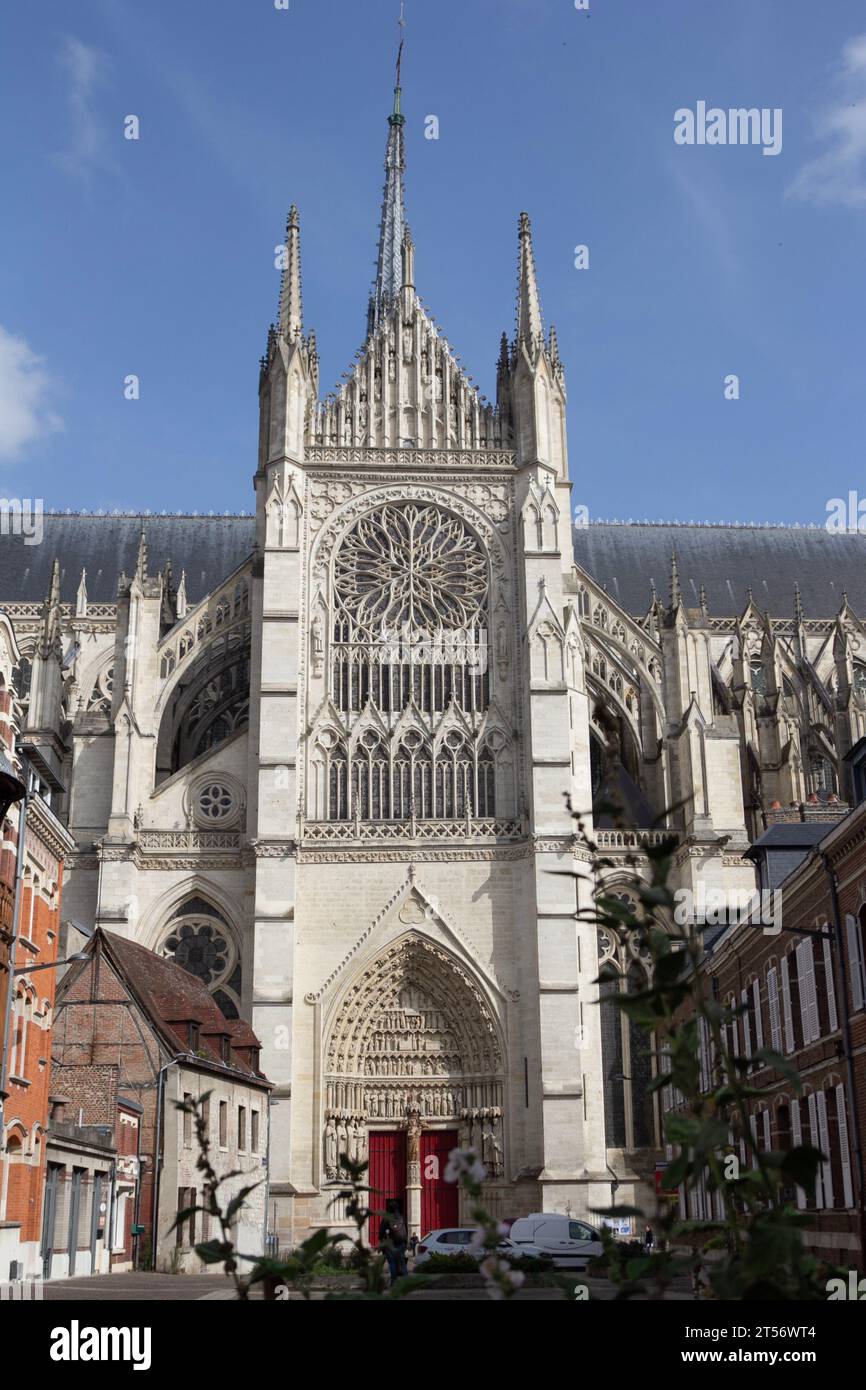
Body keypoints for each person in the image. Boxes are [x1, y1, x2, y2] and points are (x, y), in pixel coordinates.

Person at [379, 1199, 408, 1283]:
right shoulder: (402, 1217)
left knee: (392, 1263)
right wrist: (405, 1243)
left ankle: (394, 1281)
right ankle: (406, 1281)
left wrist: (381, 1240)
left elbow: (381, 1232)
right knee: (402, 1263)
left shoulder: (386, 1218)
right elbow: (406, 1230)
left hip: (390, 1244)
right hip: (401, 1243)